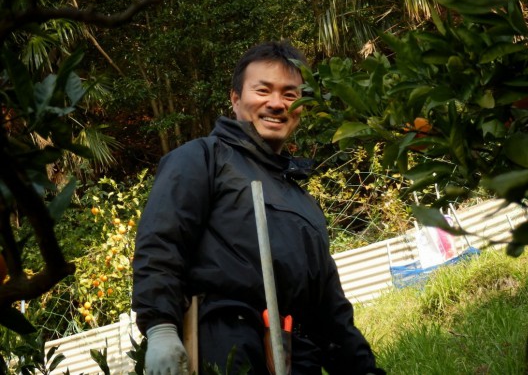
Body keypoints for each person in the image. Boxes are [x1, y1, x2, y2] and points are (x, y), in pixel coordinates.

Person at [132, 41, 385, 375]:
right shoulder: (202, 158)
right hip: (226, 343)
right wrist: (160, 326)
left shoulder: (303, 201)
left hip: (297, 353)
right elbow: (161, 241)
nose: (277, 103)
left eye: (290, 94)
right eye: (263, 90)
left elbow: (330, 307)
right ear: (235, 99)